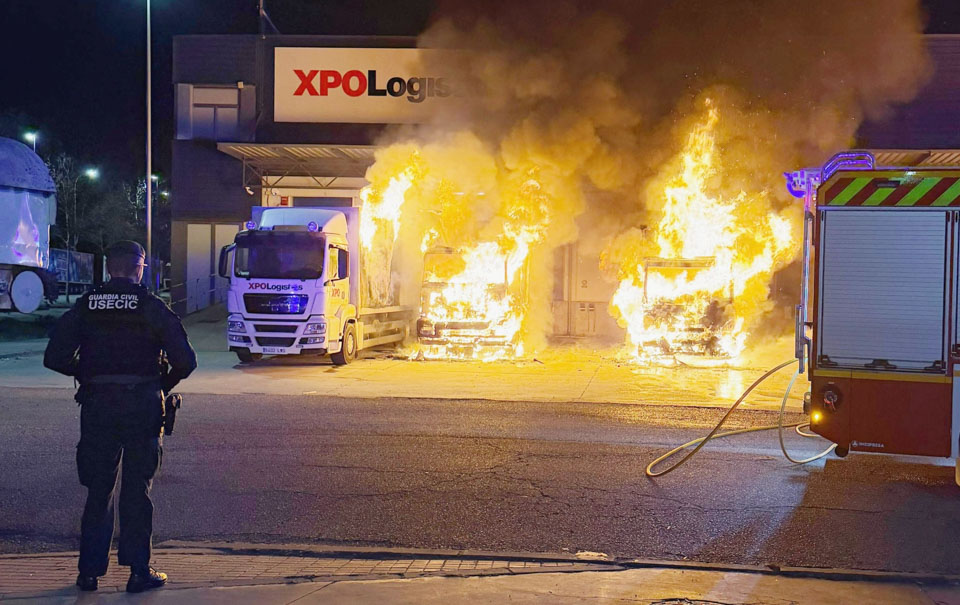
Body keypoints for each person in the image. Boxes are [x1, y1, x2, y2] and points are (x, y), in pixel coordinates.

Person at [44, 240, 197, 593]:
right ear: (140, 268)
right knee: (137, 490)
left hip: (98, 407)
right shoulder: (151, 306)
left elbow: (53, 357)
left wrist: (87, 375)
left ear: (108, 268)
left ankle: (89, 573)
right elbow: (186, 361)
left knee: (99, 490)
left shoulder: (87, 306)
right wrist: (160, 384)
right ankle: (138, 571)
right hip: (143, 407)